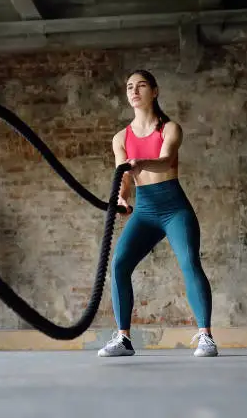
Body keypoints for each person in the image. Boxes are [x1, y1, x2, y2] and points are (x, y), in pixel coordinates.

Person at [98, 69, 218, 358]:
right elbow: (123, 179)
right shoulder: (120, 138)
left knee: (189, 262)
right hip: (146, 211)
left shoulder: (170, 128)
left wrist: (141, 163)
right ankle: (124, 339)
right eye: (129, 87)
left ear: (155, 91)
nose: (134, 91)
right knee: (119, 265)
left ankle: (206, 337)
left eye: (140, 86)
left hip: (174, 207)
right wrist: (122, 198)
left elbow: (165, 161)